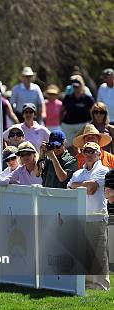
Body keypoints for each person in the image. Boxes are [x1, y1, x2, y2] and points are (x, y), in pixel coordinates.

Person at [67, 142, 110, 290]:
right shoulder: (78, 173)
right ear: (83, 153)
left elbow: (91, 189)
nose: (89, 153)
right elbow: (70, 189)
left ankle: (102, 286)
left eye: (92, 151)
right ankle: (88, 284)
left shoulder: (104, 170)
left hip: (97, 217)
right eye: (86, 151)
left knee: (99, 253)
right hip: (81, 218)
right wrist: (81, 185)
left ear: (99, 154)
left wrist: (75, 185)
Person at [61, 78, 94, 142]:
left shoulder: (87, 98)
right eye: (74, 86)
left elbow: (93, 110)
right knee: (69, 145)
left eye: (77, 86)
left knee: (83, 145)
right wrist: (60, 121)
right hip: (69, 125)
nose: (76, 88)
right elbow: (62, 110)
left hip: (84, 124)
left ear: (82, 86)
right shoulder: (68, 97)